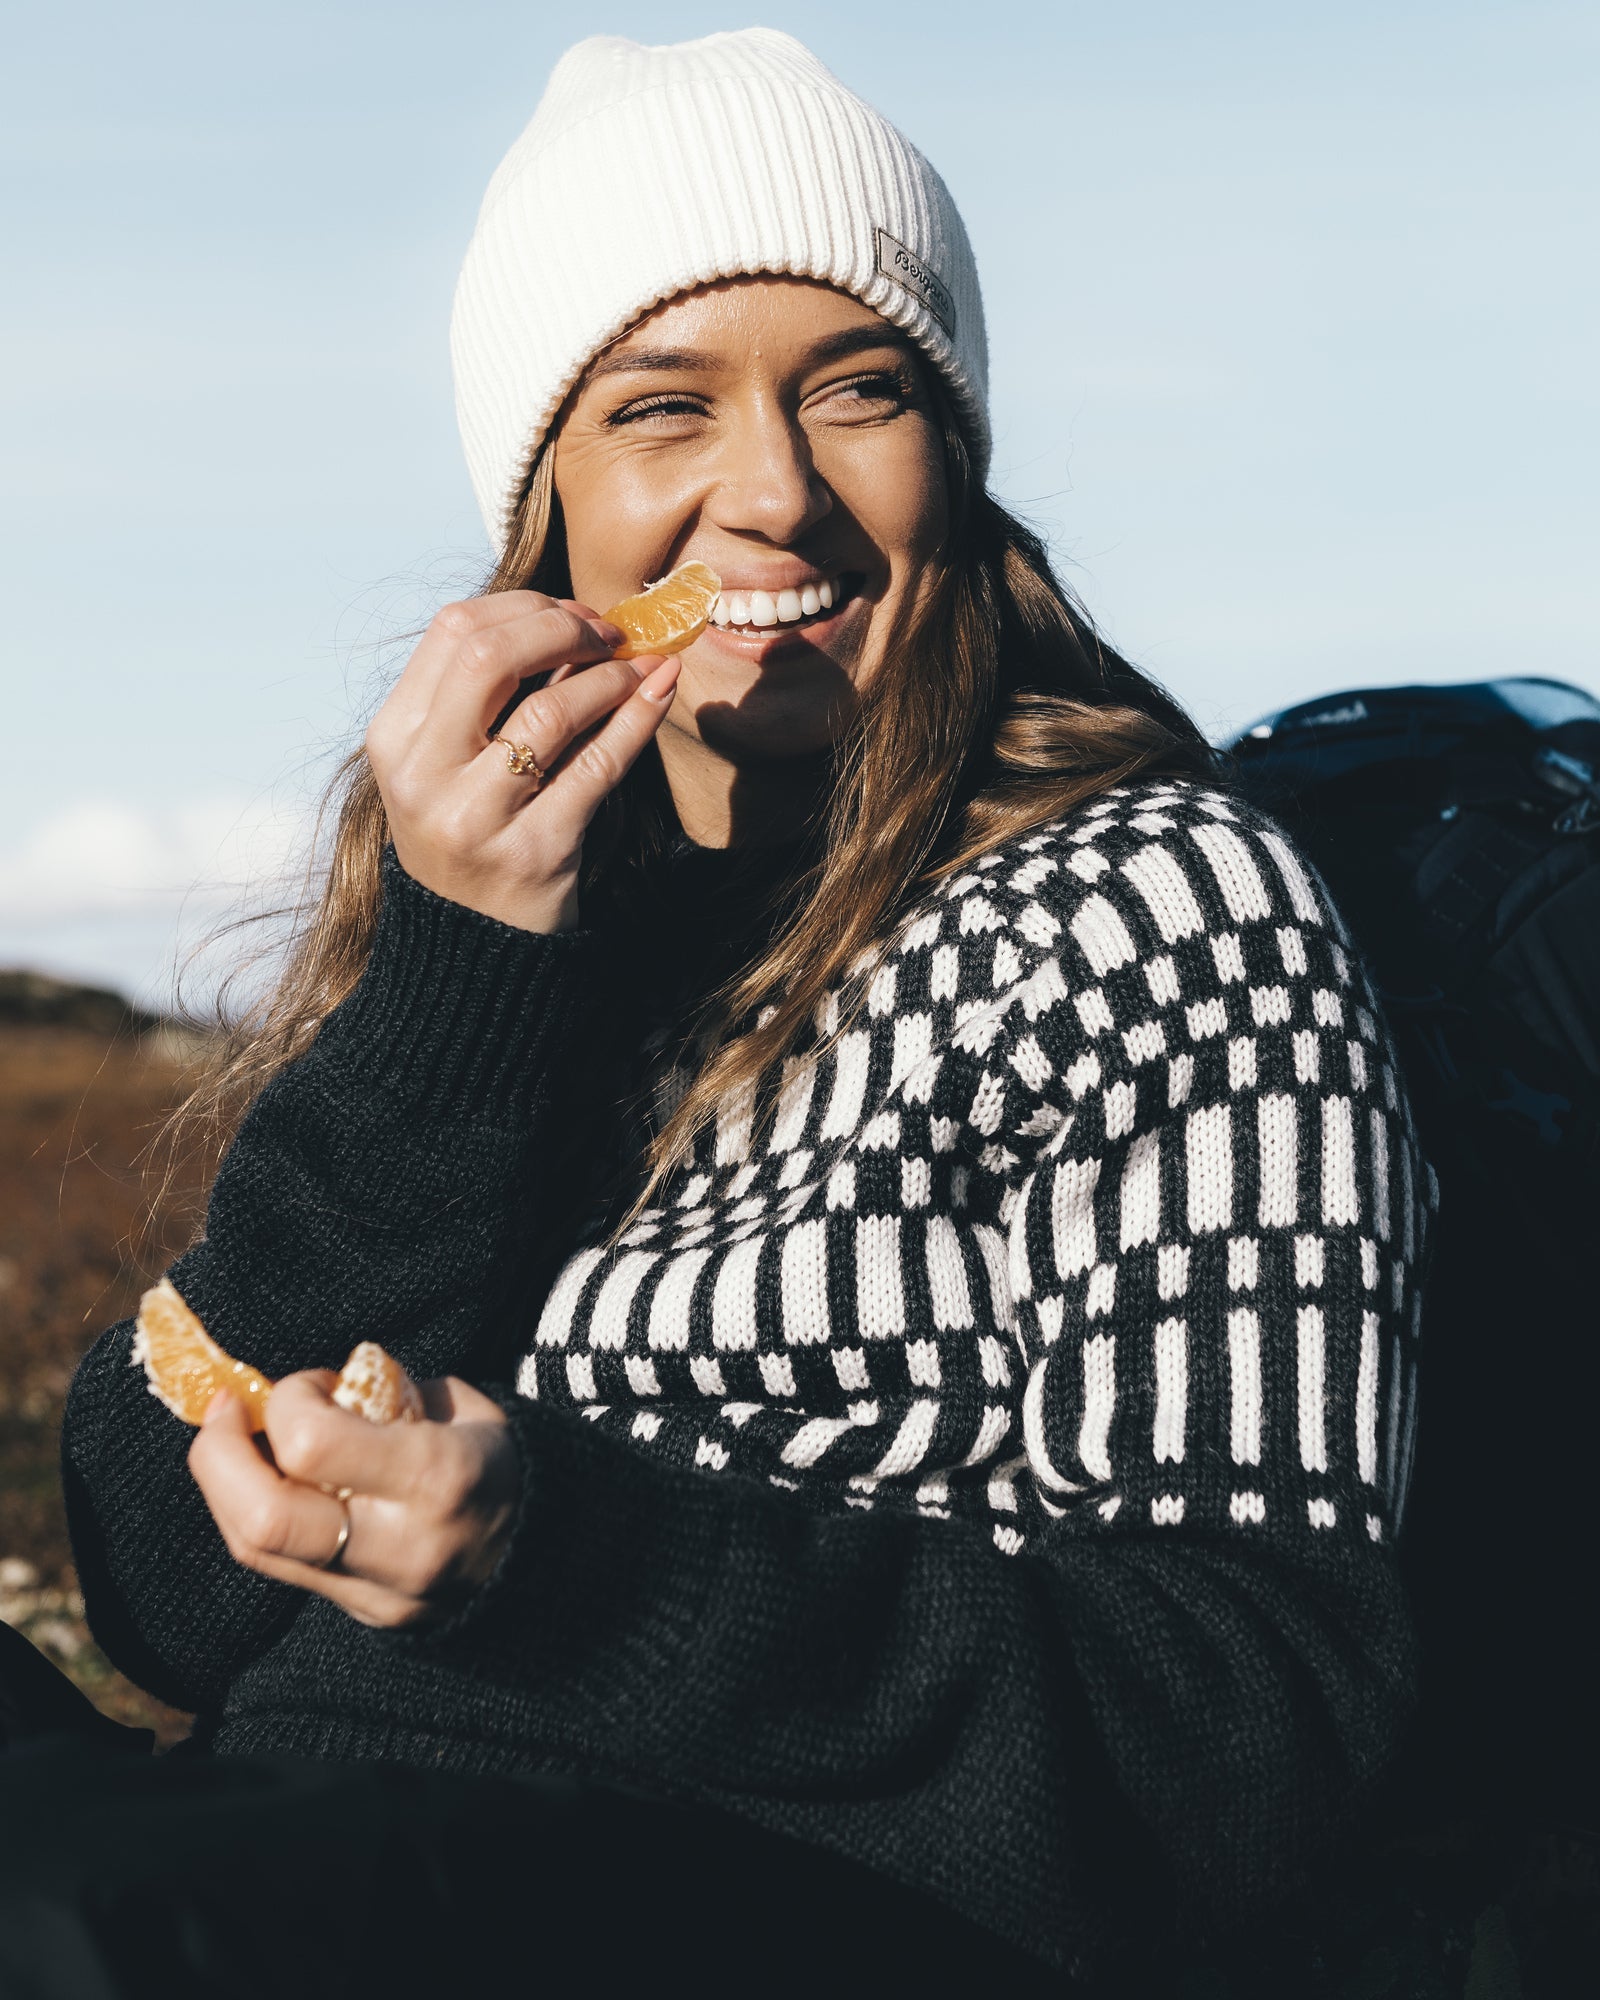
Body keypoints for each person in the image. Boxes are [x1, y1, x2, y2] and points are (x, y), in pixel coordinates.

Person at [55, 28, 1433, 1986]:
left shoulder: (1158, 908)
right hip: (310, 1829)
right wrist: (453, 975)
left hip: (750, 1899)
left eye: (860, 388)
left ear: (954, 450)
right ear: (546, 503)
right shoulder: (496, 918)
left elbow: (1251, 1740)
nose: (773, 490)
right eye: (663, 408)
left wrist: (558, 1560)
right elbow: (163, 1594)